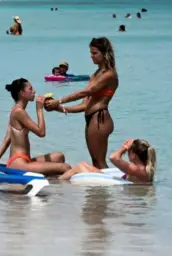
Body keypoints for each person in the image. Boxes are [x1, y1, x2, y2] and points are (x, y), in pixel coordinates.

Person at [45, 37, 118, 169]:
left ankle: (107, 189)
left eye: (95, 53)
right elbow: (84, 105)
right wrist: (58, 108)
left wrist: (59, 100)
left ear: (105, 53)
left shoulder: (109, 74)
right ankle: (98, 189)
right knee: (95, 161)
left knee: (99, 162)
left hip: (100, 118)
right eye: (91, 53)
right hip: (92, 119)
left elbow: (85, 91)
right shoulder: (95, 74)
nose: (91, 56)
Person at [0, 78, 71, 176]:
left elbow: (8, 137)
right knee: (66, 167)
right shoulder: (19, 112)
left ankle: (52, 182)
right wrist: (39, 109)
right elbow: (41, 133)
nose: (34, 91)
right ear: (22, 93)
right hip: (18, 163)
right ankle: (63, 185)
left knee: (59, 157)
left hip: (25, 160)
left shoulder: (16, 110)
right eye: (30, 89)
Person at [59, 138, 156, 182]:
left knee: (80, 166)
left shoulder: (137, 170)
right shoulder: (143, 168)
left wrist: (124, 147)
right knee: (83, 164)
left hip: (112, 187)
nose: (127, 153)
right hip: (119, 184)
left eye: (129, 152)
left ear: (134, 155)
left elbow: (113, 157)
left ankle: (59, 183)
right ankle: (60, 181)